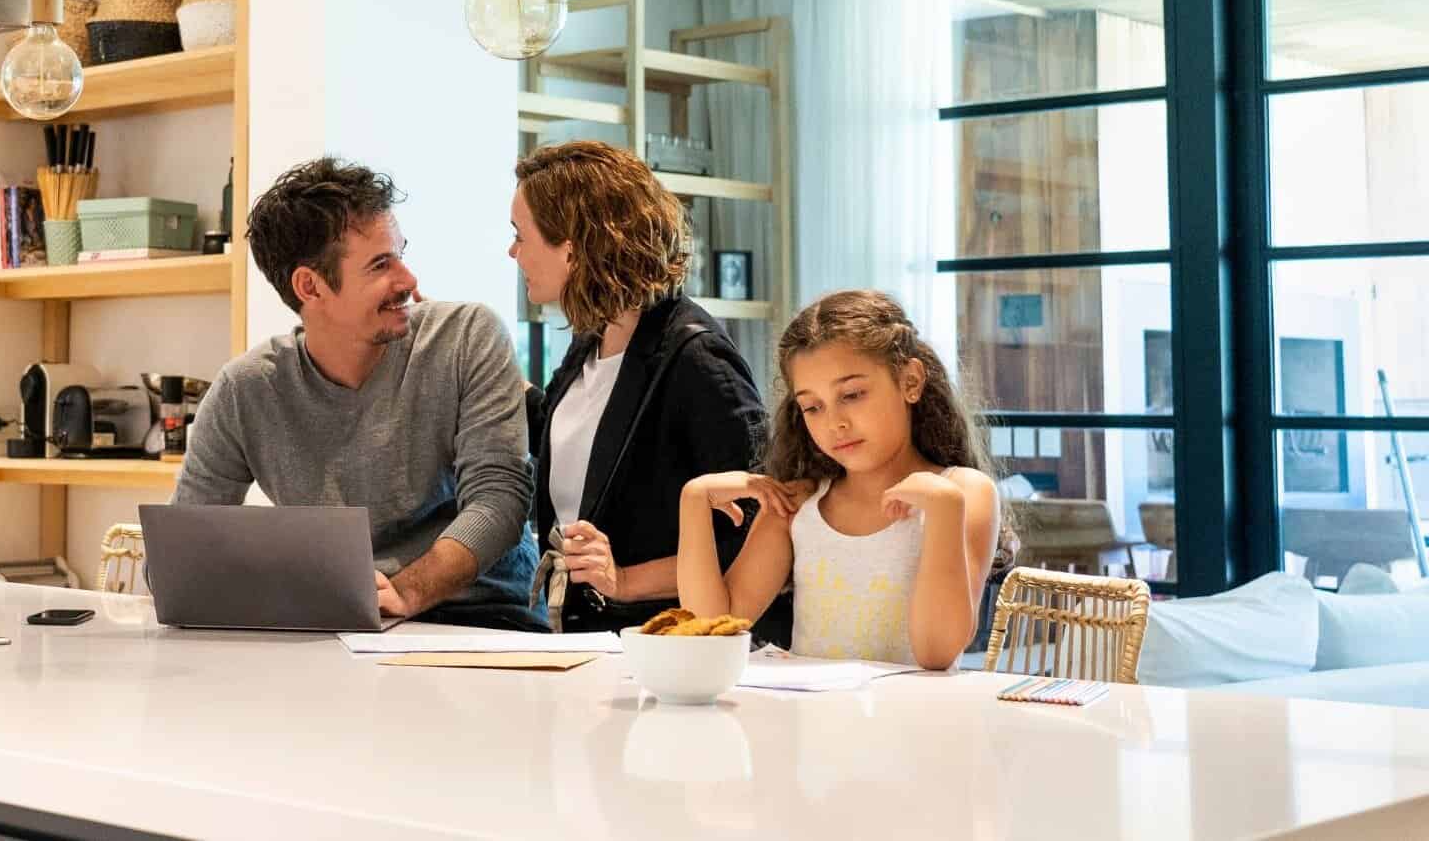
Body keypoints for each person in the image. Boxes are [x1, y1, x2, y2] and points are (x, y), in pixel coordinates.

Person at [170, 158, 537, 622]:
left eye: (401, 253)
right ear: (310, 286)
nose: (408, 280)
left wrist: (406, 593)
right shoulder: (246, 390)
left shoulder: (466, 337)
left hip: (483, 619)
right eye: (381, 265)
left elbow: (499, 499)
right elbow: (185, 548)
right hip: (335, 623)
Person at [511, 141, 782, 638]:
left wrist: (625, 581)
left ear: (571, 246)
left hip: (663, 645)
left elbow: (759, 522)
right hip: (588, 636)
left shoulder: (696, 360)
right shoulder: (592, 341)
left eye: (520, 236)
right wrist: (472, 355)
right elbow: (565, 441)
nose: (513, 252)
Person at [674, 290, 1002, 670]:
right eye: (813, 407)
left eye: (852, 394)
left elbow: (936, 653)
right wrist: (694, 499)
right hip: (810, 724)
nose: (835, 423)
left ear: (911, 381)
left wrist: (944, 509)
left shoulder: (963, 492)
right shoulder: (798, 505)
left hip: (915, 725)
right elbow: (710, 632)